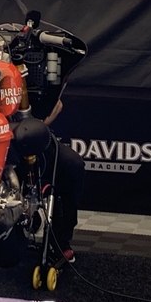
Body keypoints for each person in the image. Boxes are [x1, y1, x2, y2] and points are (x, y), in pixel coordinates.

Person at [42, 99, 86, 263]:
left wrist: (38, 127)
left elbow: (57, 104)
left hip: (35, 136)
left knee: (73, 166)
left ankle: (60, 240)